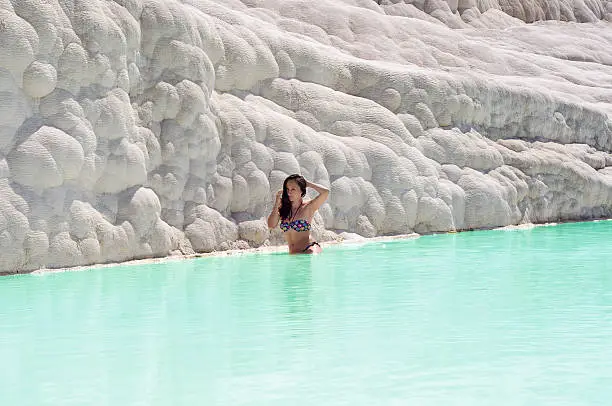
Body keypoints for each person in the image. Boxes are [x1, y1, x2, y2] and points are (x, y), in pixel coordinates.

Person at [267, 174, 329, 254]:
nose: (289, 192)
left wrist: (308, 184)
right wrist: (277, 202)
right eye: (287, 189)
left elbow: (326, 192)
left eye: (293, 189)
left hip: (309, 250)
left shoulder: (308, 207)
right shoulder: (284, 209)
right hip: (293, 253)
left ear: (301, 191)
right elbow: (271, 225)